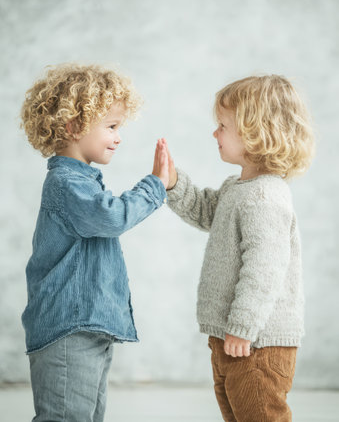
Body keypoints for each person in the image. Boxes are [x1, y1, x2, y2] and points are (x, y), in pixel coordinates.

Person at [20, 63, 169, 422]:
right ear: (73, 126)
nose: (119, 137)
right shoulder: (66, 184)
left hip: (88, 328)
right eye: (112, 126)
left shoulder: (84, 182)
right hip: (69, 329)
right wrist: (155, 185)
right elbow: (112, 217)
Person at [164, 75, 315, 422]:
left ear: (255, 133)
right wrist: (173, 182)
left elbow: (264, 270)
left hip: (257, 343)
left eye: (222, 126)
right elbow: (205, 212)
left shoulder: (265, 197)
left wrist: (243, 327)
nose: (214, 133)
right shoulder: (239, 187)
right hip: (231, 339)